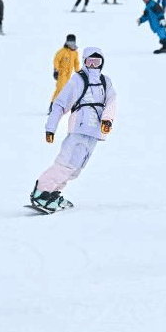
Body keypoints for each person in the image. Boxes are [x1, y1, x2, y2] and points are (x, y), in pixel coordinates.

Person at [30, 47, 117, 212]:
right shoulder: (78, 80)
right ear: (84, 62)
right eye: (89, 62)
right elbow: (61, 103)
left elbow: (112, 101)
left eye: (96, 62)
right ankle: (41, 192)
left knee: (77, 168)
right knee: (66, 163)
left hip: (95, 131)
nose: (93, 65)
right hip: (79, 128)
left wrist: (107, 119)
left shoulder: (106, 81)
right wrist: (51, 128)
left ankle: (53, 193)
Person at [50, 33, 80, 113]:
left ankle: (63, 107)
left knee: (68, 91)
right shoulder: (62, 51)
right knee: (60, 89)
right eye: (69, 42)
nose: (70, 44)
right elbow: (56, 60)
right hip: (61, 74)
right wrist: (56, 70)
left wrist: (79, 72)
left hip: (68, 75)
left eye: (72, 42)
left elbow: (76, 63)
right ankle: (53, 106)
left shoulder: (75, 53)